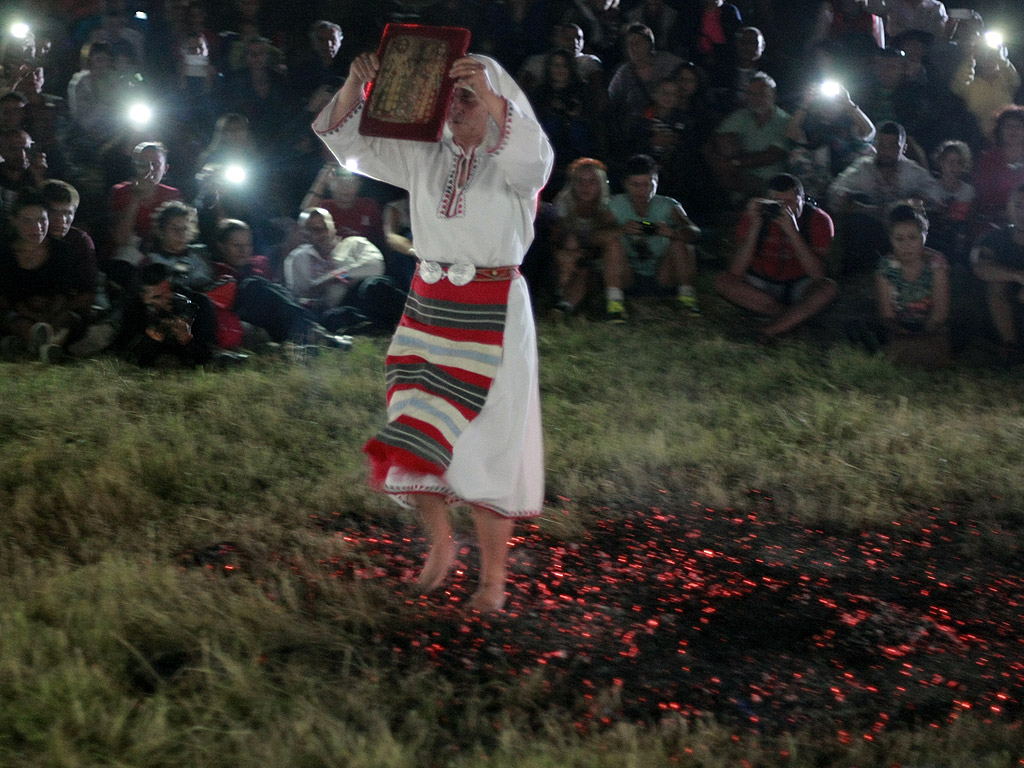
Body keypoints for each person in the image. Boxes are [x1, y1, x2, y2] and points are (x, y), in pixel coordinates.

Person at [313, 52, 553, 611]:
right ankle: (441, 548)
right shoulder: (427, 153)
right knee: (415, 425)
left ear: (499, 102)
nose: (455, 109)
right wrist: (354, 85)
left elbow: (534, 164)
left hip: (493, 309)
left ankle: (492, 582)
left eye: (467, 97)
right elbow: (350, 145)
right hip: (429, 306)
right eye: (449, 98)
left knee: (492, 439)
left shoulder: (518, 156)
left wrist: (492, 98)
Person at [715, 173, 837, 338]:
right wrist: (755, 226)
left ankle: (767, 332)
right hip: (761, 283)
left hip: (799, 284)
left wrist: (792, 231)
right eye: (778, 203)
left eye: (791, 202)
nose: (785, 208)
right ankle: (792, 318)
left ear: (802, 198)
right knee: (722, 281)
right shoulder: (756, 216)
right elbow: (735, 271)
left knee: (827, 288)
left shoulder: (818, 219)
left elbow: (817, 275)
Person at [607, 153, 702, 320]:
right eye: (635, 185)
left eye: (648, 185)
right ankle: (614, 304)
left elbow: (694, 232)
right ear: (625, 184)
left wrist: (672, 233)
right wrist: (621, 230)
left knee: (680, 242)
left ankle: (688, 300)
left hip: (663, 275)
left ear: (656, 183)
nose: (642, 191)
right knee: (611, 242)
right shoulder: (615, 204)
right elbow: (592, 236)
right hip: (628, 276)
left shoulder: (668, 205)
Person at [0, 189, 91, 362]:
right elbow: (10, 296)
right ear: (14, 221)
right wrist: (35, 316)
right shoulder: (5, 254)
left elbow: (62, 291)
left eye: (42, 219)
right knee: (15, 321)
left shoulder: (62, 251)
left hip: (54, 314)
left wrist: (50, 314)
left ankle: (35, 346)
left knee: (69, 320)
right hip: (21, 315)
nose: (37, 227)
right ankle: (45, 346)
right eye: (27, 221)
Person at [872, 203, 951, 368]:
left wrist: (923, 333)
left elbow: (939, 314)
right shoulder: (885, 267)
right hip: (899, 328)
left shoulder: (937, 264)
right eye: (899, 239)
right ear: (890, 239)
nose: (906, 245)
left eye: (912, 238)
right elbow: (887, 316)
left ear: (923, 237)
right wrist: (902, 332)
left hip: (930, 327)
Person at [551, 157, 628, 316]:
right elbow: (554, 239)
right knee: (569, 250)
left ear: (601, 184)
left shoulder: (609, 208)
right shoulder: (563, 204)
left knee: (586, 270)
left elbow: (607, 240)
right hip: (567, 261)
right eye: (580, 181)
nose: (585, 186)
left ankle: (566, 305)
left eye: (592, 182)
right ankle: (562, 301)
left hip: (597, 263)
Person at [971, 184, 1024, 363]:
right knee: (997, 285)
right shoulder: (994, 238)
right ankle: (1009, 347)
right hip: (997, 312)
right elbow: (980, 267)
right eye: (1017, 205)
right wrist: (1017, 276)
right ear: (1008, 207)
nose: (1022, 212)